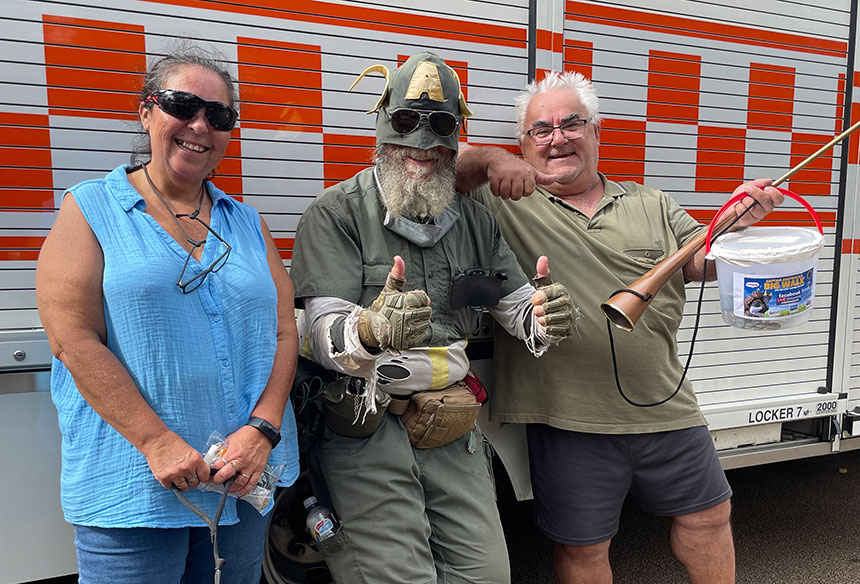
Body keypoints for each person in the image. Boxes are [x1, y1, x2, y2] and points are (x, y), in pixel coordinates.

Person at [455, 71, 785, 584]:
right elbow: (440, 165)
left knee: (709, 517)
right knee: (583, 547)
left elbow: (700, 262)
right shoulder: (502, 201)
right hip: (567, 416)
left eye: (571, 124)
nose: (557, 138)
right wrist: (493, 159)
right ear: (524, 142)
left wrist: (736, 221)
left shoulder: (651, 203)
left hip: (666, 402)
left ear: (596, 131)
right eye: (540, 130)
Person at [289, 52, 574, 584]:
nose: (423, 142)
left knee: (487, 575)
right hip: (365, 424)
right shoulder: (337, 212)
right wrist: (369, 329)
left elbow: (514, 305)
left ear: (456, 135)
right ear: (383, 125)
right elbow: (323, 330)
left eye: (441, 125)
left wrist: (543, 316)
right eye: (405, 121)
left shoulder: (476, 222)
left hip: (448, 422)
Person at [35, 47, 299, 584]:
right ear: (146, 112)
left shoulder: (248, 223)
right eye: (182, 105)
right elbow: (73, 340)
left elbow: (282, 330)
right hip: (136, 484)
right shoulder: (91, 208)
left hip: (242, 478)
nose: (200, 126)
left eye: (218, 115)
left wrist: (263, 430)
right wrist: (156, 442)